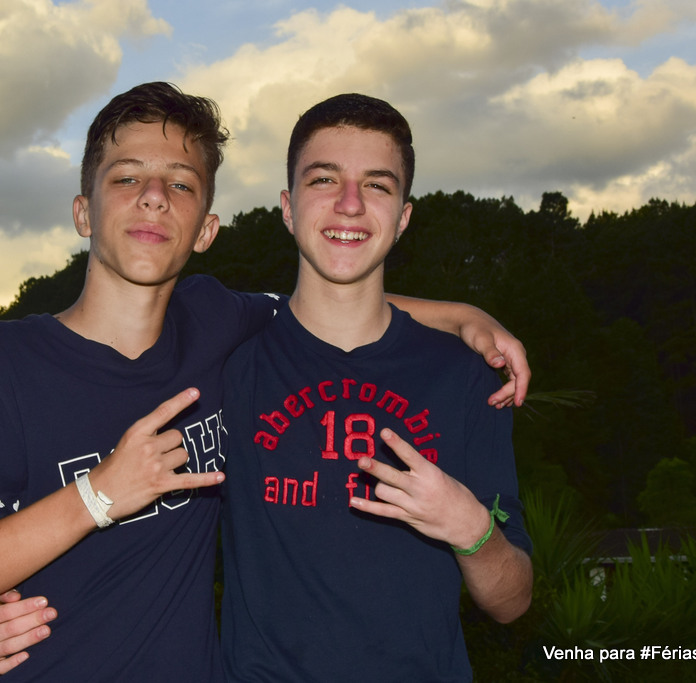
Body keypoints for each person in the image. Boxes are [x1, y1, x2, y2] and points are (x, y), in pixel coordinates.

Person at [0, 83, 530, 680]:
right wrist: (99, 495)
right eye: (126, 178)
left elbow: (334, 299)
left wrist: (463, 318)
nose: (154, 198)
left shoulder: (218, 328)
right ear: (83, 211)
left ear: (207, 229)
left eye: (180, 184)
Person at [217, 93, 533, 682]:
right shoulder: (229, 365)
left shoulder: (464, 376)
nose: (350, 203)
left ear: (404, 217)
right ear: (287, 208)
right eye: (324, 179)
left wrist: (470, 530)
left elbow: (512, 601)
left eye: (377, 185)